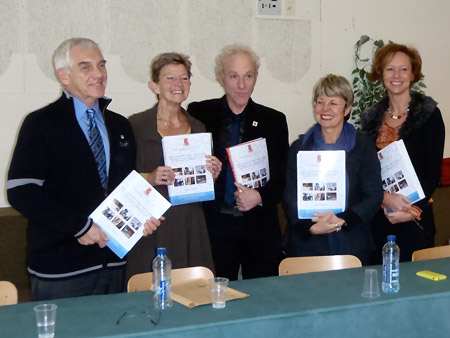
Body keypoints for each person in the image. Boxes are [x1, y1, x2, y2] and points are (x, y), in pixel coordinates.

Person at [7, 37, 161, 301]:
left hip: (113, 265)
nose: (99, 74)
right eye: (86, 67)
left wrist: (140, 219)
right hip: (60, 269)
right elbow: (21, 192)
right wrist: (80, 228)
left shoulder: (120, 126)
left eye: (101, 65)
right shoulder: (40, 124)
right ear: (64, 76)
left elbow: (124, 188)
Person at [188, 45, 289, 280]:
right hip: (215, 226)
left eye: (248, 76)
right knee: (217, 300)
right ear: (221, 77)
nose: (242, 85)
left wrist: (260, 196)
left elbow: (282, 175)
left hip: (259, 227)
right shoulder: (200, 112)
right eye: (234, 76)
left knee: (262, 300)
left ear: (256, 78)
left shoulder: (273, 120)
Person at [125, 53, 219, 281]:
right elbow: (121, 180)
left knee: (193, 291)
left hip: (190, 223)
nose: (178, 84)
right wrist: (151, 177)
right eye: (170, 78)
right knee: (148, 294)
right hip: (151, 225)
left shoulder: (198, 127)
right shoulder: (135, 125)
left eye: (184, 78)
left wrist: (212, 174)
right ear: (154, 86)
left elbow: (202, 180)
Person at [283, 74, 383, 265]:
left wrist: (343, 220)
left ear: (347, 109)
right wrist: (309, 227)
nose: (325, 109)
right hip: (307, 245)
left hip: (352, 244)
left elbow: (374, 195)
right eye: (320, 102)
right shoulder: (299, 148)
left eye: (333, 103)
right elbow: (289, 196)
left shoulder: (363, 146)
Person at [361, 43, 445, 263]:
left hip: (415, 218)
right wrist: (385, 198)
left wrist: (410, 210)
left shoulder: (430, 115)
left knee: (416, 288)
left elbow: (432, 173)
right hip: (377, 219)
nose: (396, 75)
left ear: (413, 74)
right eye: (390, 69)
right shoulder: (371, 120)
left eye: (403, 69)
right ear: (381, 73)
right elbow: (365, 173)